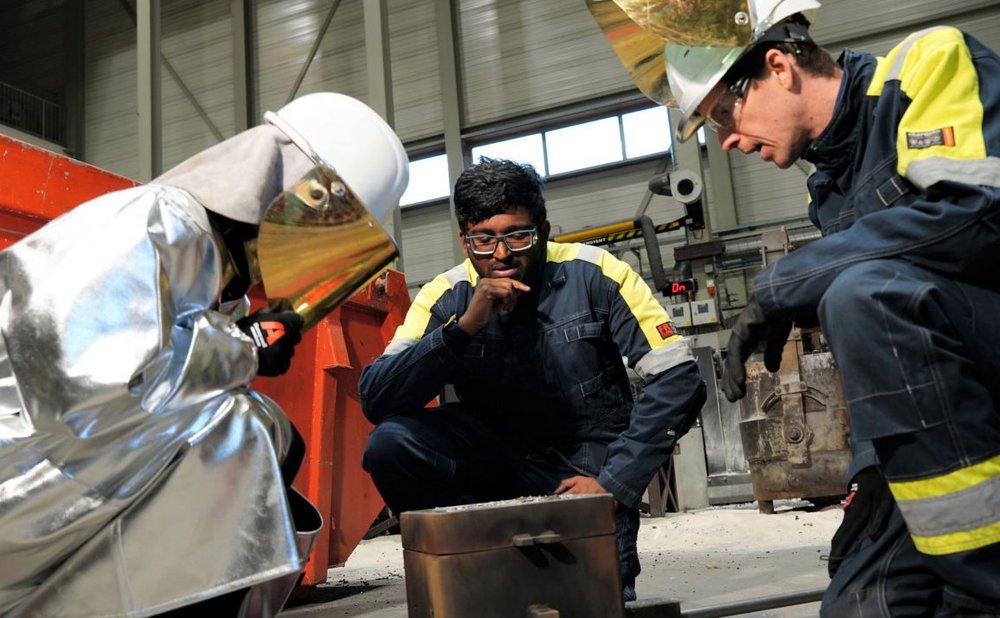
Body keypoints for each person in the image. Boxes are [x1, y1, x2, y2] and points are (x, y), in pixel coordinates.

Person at [590, 0, 1000, 615]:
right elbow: (893, 361)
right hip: (941, 422)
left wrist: (785, 284)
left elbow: (976, 211)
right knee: (858, 605)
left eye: (724, 113)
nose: (725, 140)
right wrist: (868, 476)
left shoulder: (927, 67)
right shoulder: (830, 189)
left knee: (862, 295)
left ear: (779, 67)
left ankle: (983, 586)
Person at [0, 92, 409, 617]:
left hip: (62, 463)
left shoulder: (216, 264)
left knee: (268, 434)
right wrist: (244, 347)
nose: (317, 254)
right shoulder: (157, 222)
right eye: (328, 229)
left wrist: (238, 339)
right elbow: (84, 377)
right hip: (26, 456)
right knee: (243, 431)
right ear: (296, 194)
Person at [359, 158, 707, 602]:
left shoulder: (597, 274)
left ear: (542, 228)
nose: (501, 255)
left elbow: (678, 378)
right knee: (390, 443)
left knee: (589, 600)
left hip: (580, 467)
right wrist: (463, 328)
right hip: (489, 460)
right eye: (483, 240)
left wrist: (613, 483)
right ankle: (460, 553)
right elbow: (376, 396)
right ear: (464, 239)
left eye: (517, 236)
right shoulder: (446, 296)